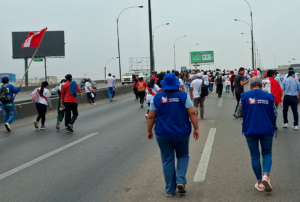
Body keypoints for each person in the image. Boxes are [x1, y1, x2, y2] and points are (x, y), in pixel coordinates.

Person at [147, 73, 199, 197]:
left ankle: (170, 190)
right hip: (181, 132)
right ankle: (180, 180)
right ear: (176, 84)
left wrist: (149, 131)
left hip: (162, 133)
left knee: (167, 160)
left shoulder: (156, 97)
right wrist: (197, 128)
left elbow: (151, 116)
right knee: (183, 155)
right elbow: (192, 112)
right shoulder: (183, 96)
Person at [240, 77, 275, 192]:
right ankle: (266, 175)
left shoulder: (244, 96)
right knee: (267, 153)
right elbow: (275, 112)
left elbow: (239, 112)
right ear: (262, 86)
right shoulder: (269, 96)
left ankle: (260, 182)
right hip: (266, 128)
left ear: (250, 86)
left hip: (250, 129)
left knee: (255, 156)